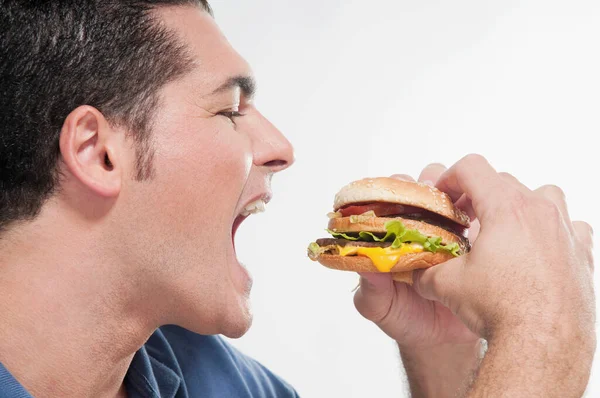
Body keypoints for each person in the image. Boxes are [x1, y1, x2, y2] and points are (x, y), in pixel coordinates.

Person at [0, 1, 594, 397]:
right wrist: (544, 335)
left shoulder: (219, 383)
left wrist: (444, 354)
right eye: (230, 110)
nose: (282, 148)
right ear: (99, 151)